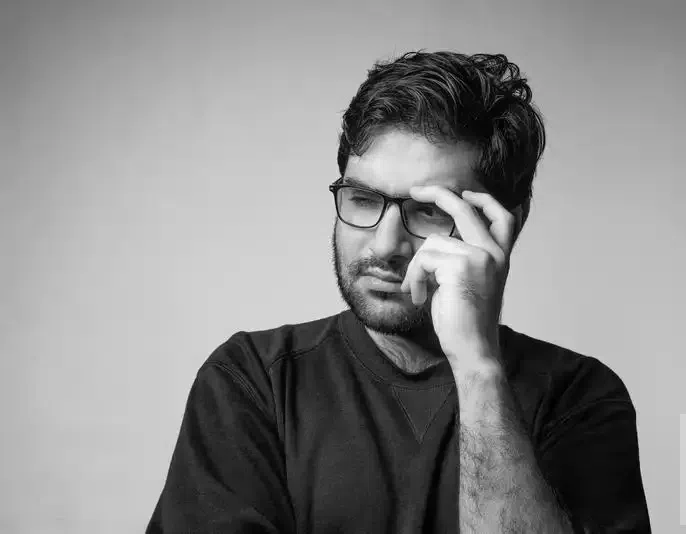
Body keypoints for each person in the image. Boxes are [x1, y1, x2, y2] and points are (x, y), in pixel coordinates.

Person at [146, 50, 651, 533]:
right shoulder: (254, 379)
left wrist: (478, 368)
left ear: (503, 225)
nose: (386, 245)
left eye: (429, 211)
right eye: (363, 199)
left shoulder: (578, 396)